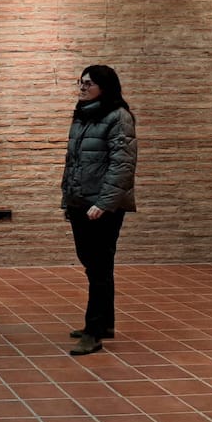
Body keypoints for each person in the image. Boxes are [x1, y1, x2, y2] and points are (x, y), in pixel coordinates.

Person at [61, 64, 137, 356]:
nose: (82, 87)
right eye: (80, 82)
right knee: (93, 264)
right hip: (80, 202)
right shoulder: (83, 115)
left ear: (104, 87)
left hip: (102, 207)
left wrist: (104, 203)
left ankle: (93, 332)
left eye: (88, 83)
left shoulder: (118, 117)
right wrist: (68, 199)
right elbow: (73, 162)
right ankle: (105, 322)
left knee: (99, 267)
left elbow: (122, 165)